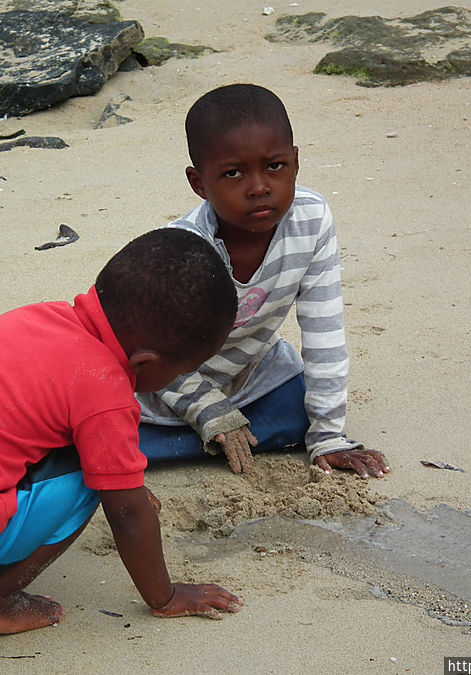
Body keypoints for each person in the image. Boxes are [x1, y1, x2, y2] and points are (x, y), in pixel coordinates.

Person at [0, 228, 243, 635]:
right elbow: (127, 514)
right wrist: (166, 595)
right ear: (144, 363)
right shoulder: (106, 392)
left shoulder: (38, 317)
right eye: (181, 371)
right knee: (94, 482)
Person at [137, 84, 389, 479]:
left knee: (299, 407)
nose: (259, 187)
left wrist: (328, 437)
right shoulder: (184, 248)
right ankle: (181, 438)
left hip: (245, 373)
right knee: (110, 427)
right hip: (164, 383)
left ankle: (195, 441)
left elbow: (325, 335)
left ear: (296, 162)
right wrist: (210, 409)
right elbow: (152, 356)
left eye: (275, 166)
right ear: (199, 183)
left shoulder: (312, 219)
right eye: (233, 173)